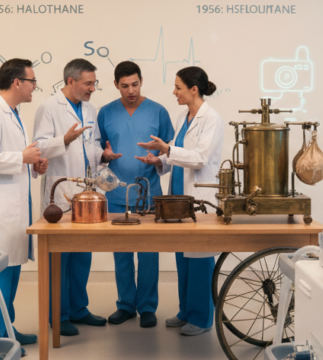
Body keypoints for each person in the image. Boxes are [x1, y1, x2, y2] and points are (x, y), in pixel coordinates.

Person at [137, 67, 224, 335]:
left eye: (178, 88)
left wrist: (167, 149)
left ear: (193, 90)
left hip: (198, 195)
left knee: (198, 258)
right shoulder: (183, 116)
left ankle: (201, 318)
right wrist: (159, 159)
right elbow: (177, 152)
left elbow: (198, 158)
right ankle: (186, 311)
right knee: (182, 256)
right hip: (177, 196)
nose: (174, 92)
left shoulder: (212, 119)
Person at [33, 59, 116, 336]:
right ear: (71, 81)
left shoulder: (90, 108)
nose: (93, 88)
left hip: (86, 194)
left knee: (82, 255)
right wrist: (65, 140)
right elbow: (40, 147)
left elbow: (91, 144)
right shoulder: (48, 107)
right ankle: (59, 314)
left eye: (94, 83)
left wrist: (103, 155)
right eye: (88, 83)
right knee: (60, 258)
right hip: (61, 192)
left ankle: (79, 309)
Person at [0, 58, 48, 348]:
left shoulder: (13, 113)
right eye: (32, 82)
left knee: (13, 269)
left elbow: (14, 156)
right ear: (17, 82)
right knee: (1, 274)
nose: (35, 87)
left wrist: (32, 166)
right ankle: (1, 336)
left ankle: (8, 329)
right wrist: (21, 158)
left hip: (15, 207)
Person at [98, 61, 174, 328]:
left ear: (141, 81)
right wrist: (104, 156)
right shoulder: (105, 113)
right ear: (116, 85)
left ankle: (147, 306)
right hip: (117, 194)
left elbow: (171, 150)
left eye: (135, 84)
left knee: (149, 251)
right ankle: (126, 305)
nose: (131, 90)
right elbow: (97, 151)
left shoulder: (158, 111)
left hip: (148, 192)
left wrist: (158, 157)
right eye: (124, 86)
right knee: (121, 252)